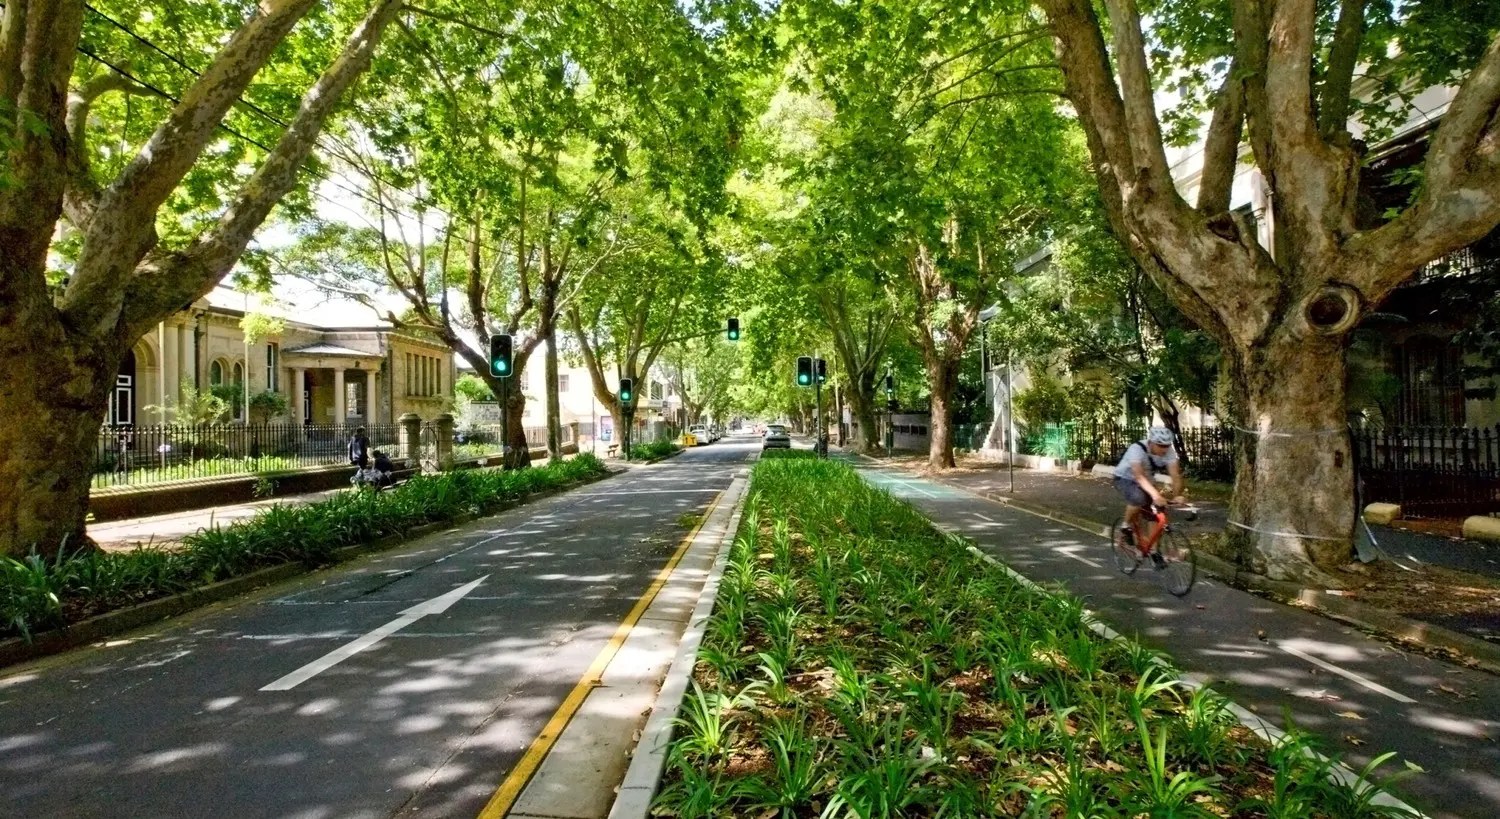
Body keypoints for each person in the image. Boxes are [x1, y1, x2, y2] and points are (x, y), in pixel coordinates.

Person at [1113, 426, 1186, 547]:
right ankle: (1125, 526)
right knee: (1138, 498)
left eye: (1167, 445)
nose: (1164, 449)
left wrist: (1177, 495)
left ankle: (1153, 551)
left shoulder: (1169, 452)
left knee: (1157, 512)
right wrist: (1156, 495)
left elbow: (1175, 475)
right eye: (1161, 445)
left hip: (1147, 480)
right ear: (1151, 442)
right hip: (1125, 478)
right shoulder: (1137, 449)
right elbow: (1138, 476)